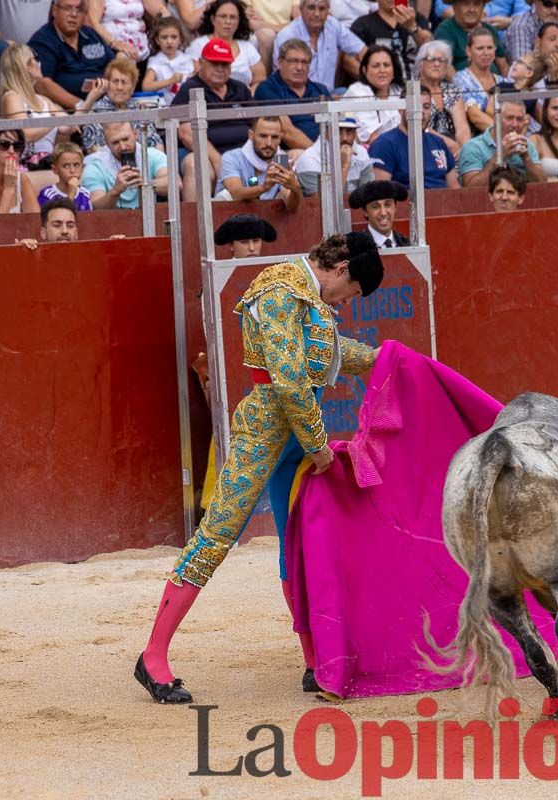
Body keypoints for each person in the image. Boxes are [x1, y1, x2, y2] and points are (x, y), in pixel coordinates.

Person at [135, 231, 385, 704]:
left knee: (299, 542)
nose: (346, 302)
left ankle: (314, 661)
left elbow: (336, 354)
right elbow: (290, 382)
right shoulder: (277, 288)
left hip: (294, 442)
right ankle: (152, 656)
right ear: (341, 268)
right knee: (217, 536)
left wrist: (389, 361)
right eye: (350, 292)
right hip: (264, 435)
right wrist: (317, 446)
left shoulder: (308, 297)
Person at [172, 38, 254, 201]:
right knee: (197, 165)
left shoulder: (240, 89)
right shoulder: (189, 89)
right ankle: (194, 222)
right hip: (203, 154)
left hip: (241, 152)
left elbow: (258, 125)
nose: (220, 69)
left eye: (224, 65)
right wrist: (219, 161)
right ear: (201, 63)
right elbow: (187, 134)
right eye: (214, 64)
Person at [0, 43, 78, 167]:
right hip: (24, 167)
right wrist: (53, 121)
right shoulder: (11, 97)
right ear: (27, 66)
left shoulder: (45, 100)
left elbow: (66, 126)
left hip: (48, 164)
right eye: (36, 59)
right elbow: (24, 134)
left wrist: (91, 99)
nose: (39, 63)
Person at [28, 0, 114, 111]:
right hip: (67, 113)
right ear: (54, 10)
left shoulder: (91, 35)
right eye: (68, 8)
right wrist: (83, 107)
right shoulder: (43, 41)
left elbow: (115, 67)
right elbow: (42, 85)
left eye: (79, 9)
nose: (74, 14)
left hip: (106, 104)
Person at [369, 87, 460, 189]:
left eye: (426, 106)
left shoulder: (439, 143)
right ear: (401, 109)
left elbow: (455, 190)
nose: (421, 112)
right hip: (407, 203)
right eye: (415, 106)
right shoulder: (384, 145)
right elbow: (380, 194)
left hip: (443, 202)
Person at [253, 39, 332, 152]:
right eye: (294, 61)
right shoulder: (267, 89)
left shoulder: (320, 90)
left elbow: (336, 124)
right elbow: (286, 132)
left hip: (325, 151)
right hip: (291, 152)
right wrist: (320, 154)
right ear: (280, 62)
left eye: (304, 62)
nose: (300, 67)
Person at [214, 117, 303, 212]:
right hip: (230, 220)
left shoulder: (281, 160)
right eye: (263, 136)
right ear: (251, 135)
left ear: (280, 137)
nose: (269, 143)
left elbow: (292, 208)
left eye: (274, 137)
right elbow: (235, 194)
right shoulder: (232, 157)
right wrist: (263, 187)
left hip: (265, 223)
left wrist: (295, 189)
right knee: (225, 195)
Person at [273, 0, 364, 91]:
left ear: (328, 11)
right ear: (301, 9)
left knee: (350, 93)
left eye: (322, 8)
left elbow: (362, 50)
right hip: (296, 96)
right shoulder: (287, 36)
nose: (317, 13)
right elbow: (283, 79)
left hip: (329, 95)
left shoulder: (333, 25)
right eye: (311, 8)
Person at [78, 54, 163, 152]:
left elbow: (156, 144)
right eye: (115, 81)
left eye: (124, 82)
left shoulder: (141, 109)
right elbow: (94, 149)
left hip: (142, 163)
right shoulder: (95, 111)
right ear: (107, 84)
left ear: (133, 87)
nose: (119, 87)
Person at [457, 99, 547, 186]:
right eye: (509, 118)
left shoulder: (527, 144)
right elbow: (471, 188)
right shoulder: (473, 147)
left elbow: (543, 185)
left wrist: (526, 158)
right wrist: (500, 155)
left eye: (519, 119)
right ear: (497, 119)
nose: (515, 124)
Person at [81, 121, 168, 209]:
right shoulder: (95, 167)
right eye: (115, 142)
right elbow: (95, 208)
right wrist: (116, 191)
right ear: (106, 142)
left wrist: (145, 183)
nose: (122, 147)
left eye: (125, 139)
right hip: (113, 221)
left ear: (135, 134)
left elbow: (175, 184)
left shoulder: (152, 155)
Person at [187, 0, 265, 89]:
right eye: (223, 16)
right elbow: (195, 79)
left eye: (232, 17)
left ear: (239, 21)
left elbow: (260, 79)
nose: (228, 21)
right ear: (213, 19)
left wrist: (248, 98)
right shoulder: (198, 46)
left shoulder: (247, 47)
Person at [293, 115, 376, 195]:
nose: (344, 138)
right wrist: (344, 166)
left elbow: (370, 196)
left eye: (349, 131)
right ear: (325, 132)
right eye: (338, 130)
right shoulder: (309, 160)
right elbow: (322, 207)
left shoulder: (361, 153)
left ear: (355, 133)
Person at [414, 40, 470, 156]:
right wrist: (451, 146)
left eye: (441, 60)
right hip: (424, 149)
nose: (437, 64)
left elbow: (462, 128)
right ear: (420, 64)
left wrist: (465, 151)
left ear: (446, 68)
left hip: (455, 152)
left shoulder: (452, 91)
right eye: (431, 59)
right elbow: (420, 127)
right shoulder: (413, 91)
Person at [350, 0, 431, 78]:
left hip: (415, 83)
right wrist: (372, 81)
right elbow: (349, 60)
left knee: (418, 90)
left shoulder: (416, 19)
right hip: (382, 86)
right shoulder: (362, 24)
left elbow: (430, 48)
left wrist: (413, 27)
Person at [342, 44, 404, 146]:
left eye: (386, 65)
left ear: (394, 70)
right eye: (376, 66)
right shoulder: (358, 91)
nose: (382, 70)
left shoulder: (399, 91)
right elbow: (372, 139)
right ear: (364, 70)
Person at [0, 128, 40, 213]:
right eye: (4, 145)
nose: (11, 151)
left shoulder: (22, 180)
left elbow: (35, 221)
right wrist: (8, 189)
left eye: (17, 146)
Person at [453, 27, 503, 134]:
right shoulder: (461, 79)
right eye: (480, 48)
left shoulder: (501, 80)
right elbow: (475, 117)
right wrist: (503, 133)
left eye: (490, 48)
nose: (486, 53)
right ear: (468, 51)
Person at [504, 0, 558, 66]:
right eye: (548, 4)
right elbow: (524, 71)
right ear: (535, 1)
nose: (554, 10)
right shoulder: (522, 27)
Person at [435, 0, 505, 72]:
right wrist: (461, 82)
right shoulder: (445, 29)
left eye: (476, 4)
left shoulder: (490, 30)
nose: (471, 10)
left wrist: (508, 82)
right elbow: (444, 64)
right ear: (455, 7)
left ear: (483, 7)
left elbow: (502, 64)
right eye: (466, 4)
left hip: (494, 81)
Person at [86, 0, 163, 63]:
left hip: (142, 42)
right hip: (111, 42)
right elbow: (93, 23)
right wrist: (115, 43)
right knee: (124, 57)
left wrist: (170, 29)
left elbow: (162, 11)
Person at [143, 17, 196, 102]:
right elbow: (146, 86)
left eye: (174, 37)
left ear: (180, 39)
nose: (169, 41)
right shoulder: (155, 61)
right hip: (164, 108)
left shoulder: (187, 59)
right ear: (157, 40)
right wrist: (170, 81)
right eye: (164, 37)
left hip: (186, 106)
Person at [349, 178, 408, 248]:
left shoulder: (406, 244)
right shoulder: (355, 248)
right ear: (365, 211)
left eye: (388, 205)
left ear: (395, 207)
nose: (383, 213)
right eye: (375, 207)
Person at [38, 141, 92, 210]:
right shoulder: (47, 194)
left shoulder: (85, 194)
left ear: (82, 168)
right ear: (55, 169)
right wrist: (71, 194)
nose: (72, 170)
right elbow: (59, 218)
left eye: (76, 165)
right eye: (66, 166)